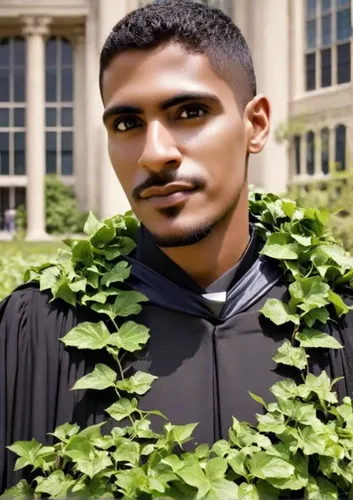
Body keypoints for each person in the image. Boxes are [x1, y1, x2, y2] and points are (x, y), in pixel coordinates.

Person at [1, 0, 353, 492]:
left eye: (190, 112)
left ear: (255, 125)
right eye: (126, 123)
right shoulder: (36, 330)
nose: (155, 153)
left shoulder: (339, 319)